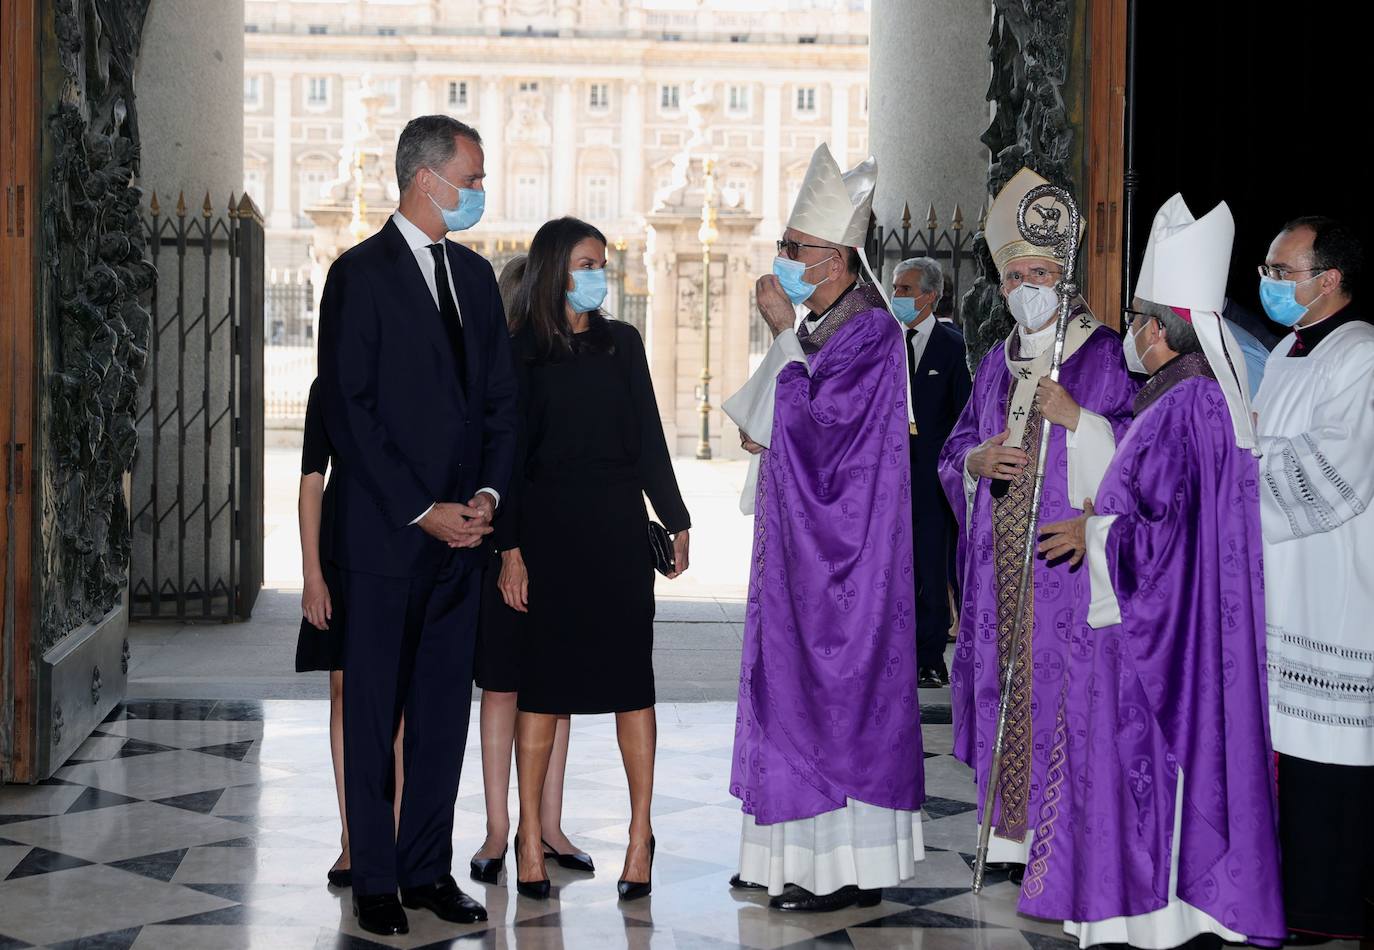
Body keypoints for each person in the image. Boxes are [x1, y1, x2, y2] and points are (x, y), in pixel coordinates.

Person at [1024, 195, 1285, 947]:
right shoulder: (1185, 395)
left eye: (1140, 317)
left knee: (1148, 769)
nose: (1131, 332)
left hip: (1153, 640)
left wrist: (1094, 534)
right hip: (1159, 628)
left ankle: (1155, 920)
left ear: (1165, 328)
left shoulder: (1187, 405)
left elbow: (1170, 540)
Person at [316, 114, 518, 936]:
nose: (478, 192)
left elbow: (504, 404)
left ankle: (427, 870)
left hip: (463, 539)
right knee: (373, 712)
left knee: (441, 711)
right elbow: (350, 412)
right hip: (384, 538)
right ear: (424, 179)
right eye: (470, 179)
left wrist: (489, 501)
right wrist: (421, 508)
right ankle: (373, 879)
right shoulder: (357, 275)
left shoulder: (474, 278)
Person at [723, 144, 925, 914]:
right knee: (789, 690)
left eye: (795, 247)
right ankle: (782, 854)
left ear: (837, 259)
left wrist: (779, 332)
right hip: (802, 555)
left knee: (832, 695)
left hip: (844, 563)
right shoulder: (827, 325)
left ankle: (841, 868)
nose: (783, 259)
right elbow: (792, 413)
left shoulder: (869, 333)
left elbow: (825, 431)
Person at [937, 167, 1137, 883]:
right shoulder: (994, 362)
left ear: (1066, 277)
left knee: (1056, 695)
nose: (1027, 284)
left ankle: (1057, 837)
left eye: (1041, 272)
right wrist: (976, 460)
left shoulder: (1103, 352)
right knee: (1003, 688)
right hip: (998, 573)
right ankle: (1008, 836)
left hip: (1063, 565)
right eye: (1016, 274)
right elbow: (954, 448)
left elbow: (1135, 451)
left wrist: (1077, 421)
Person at [501, 216, 691, 903]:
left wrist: (676, 517)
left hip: (615, 531)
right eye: (585, 263)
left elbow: (647, 435)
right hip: (547, 533)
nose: (597, 275)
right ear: (555, 268)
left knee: (630, 685)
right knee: (543, 691)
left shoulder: (623, 344)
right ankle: (530, 838)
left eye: (602, 264)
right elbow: (508, 459)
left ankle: (640, 836)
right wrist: (510, 550)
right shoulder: (518, 350)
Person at [1253, 215, 1374, 944]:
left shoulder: (1360, 354)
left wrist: (1237, 479)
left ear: (1327, 279)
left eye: (1281, 272)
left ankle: (1326, 909)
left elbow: (1335, 474)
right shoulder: (1289, 349)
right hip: (1285, 581)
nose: (1268, 284)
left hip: (1333, 593)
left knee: (1330, 759)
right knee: (1292, 757)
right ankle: (1291, 896)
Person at [469, 254, 589, 885]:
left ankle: (547, 823)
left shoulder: (571, 361)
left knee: (554, 690)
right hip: (503, 543)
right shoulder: (500, 365)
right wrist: (507, 550)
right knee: (504, 686)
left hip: (561, 545)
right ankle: (498, 828)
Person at [294, 380, 404, 891]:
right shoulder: (330, 388)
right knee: (344, 690)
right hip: (341, 545)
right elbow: (312, 478)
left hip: (405, 539)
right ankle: (353, 837)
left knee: (398, 696)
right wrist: (312, 574)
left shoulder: (415, 376)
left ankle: (396, 834)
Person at [892, 257, 971, 687]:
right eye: (895, 288)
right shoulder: (884, 342)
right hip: (887, 483)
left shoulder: (953, 346)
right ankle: (893, 653)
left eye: (905, 289)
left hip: (933, 483)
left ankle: (929, 658)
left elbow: (963, 416)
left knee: (930, 572)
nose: (897, 296)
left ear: (929, 296)